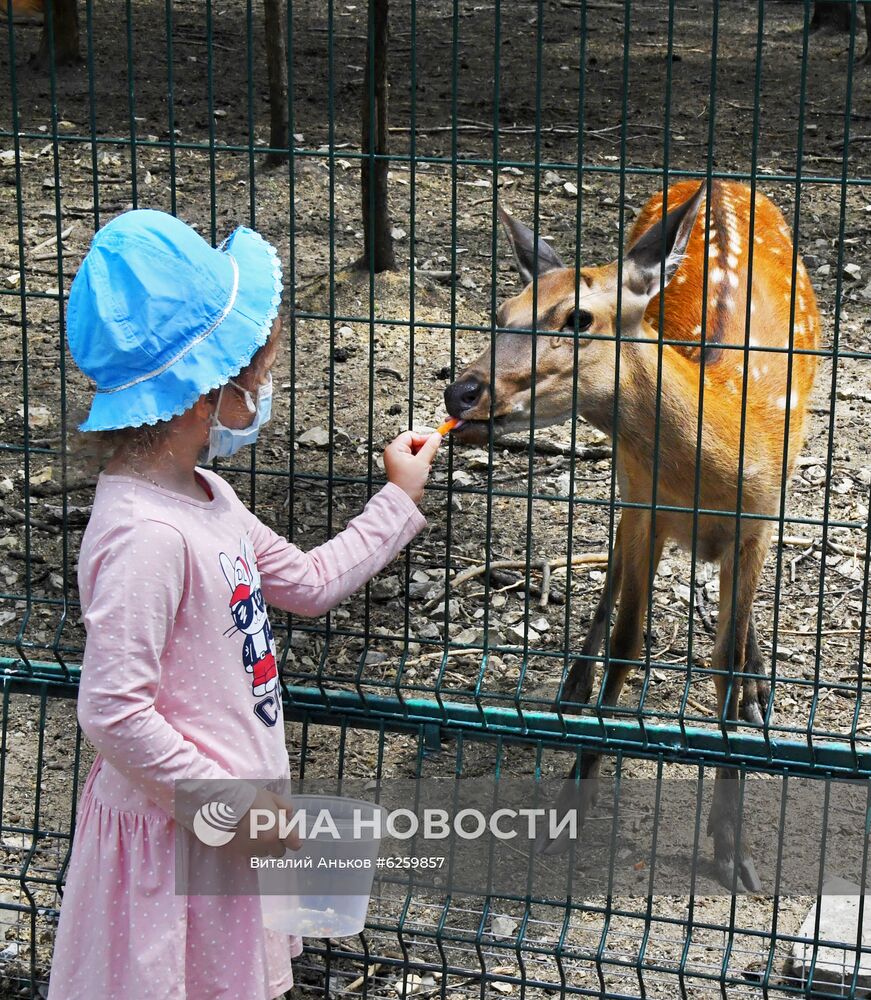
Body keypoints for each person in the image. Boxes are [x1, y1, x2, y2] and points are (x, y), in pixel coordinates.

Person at [47, 209, 442, 1000]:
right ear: (206, 388)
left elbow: (305, 582)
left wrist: (396, 500)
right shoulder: (143, 535)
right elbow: (115, 712)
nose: (262, 389)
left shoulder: (207, 496)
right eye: (256, 374)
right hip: (176, 842)